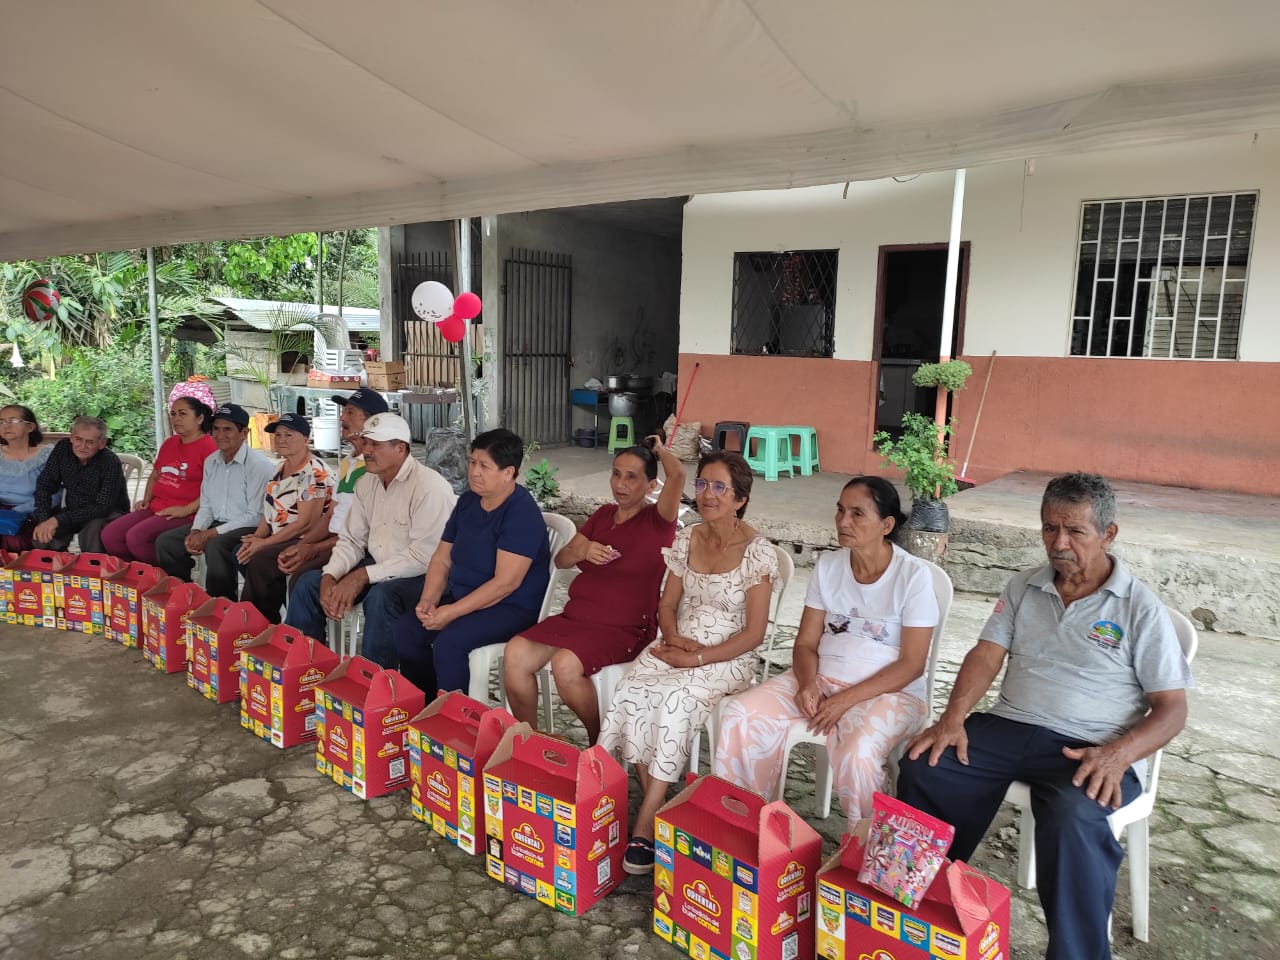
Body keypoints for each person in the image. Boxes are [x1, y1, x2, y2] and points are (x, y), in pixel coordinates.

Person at [897, 472, 1192, 960]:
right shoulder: (1024, 586)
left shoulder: (1140, 608)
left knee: (1076, 816)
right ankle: (920, 911)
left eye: (1075, 531)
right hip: (1009, 726)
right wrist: (953, 718)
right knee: (925, 763)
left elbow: (1173, 708)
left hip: (1091, 745)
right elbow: (986, 655)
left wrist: (1118, 755)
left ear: (1108, 534)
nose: (1059, 543)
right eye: (1050, 528)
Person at [713, 476, 937, 827]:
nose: (843, 521)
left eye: (857, 514)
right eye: (840, 510)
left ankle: (866, 847)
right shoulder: (829, 567)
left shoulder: (913, 576)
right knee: (741, 714)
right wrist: (807, 684)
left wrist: (845, 700)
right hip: (821, 679)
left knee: (858, 754)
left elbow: (911, 664)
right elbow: (805, 643)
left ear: (887, 525)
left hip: (890, 692)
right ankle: (742, 826)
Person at [598, 451, 778, 874]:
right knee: (633, 689)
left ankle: (647, 820)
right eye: (701, 484)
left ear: (740, 499)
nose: (707, 494)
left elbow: (754, 633)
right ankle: (662, 804)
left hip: (727, 655)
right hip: (678, 641)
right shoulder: (687, 537)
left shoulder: (758, 552)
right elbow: (667, 604)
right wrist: (673, 638)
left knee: (675, 698)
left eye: (719, 487)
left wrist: (695, 658)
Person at [502, 439, 685, 743]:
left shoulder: (658, 520)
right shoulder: (603, 515)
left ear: (651, 485)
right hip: (576, 618)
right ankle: (528, 739)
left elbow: (678, 475)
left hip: (624, 627)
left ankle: (599, 741)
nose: (620, 484)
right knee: (515, 653)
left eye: (632, 477)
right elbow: (561, 560)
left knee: (565, 665)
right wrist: (583, 550)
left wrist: (660, 450)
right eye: (616, 473)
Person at [284, 413, 455, 665]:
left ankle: (375, 680)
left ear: (400, 449)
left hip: (426, 574)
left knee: (381, 598)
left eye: (375, 444)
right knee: (310, 583)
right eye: (366, 442)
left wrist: (361, 576)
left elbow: (423, 557)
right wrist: (331, 575)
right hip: (380, 565)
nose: (366, 451)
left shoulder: (429, 487)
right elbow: (352, 539)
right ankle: (303, 669)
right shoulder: (366, 482)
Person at [396, 428, 550, 696]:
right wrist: (429, 601)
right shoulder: (468, 501)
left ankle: (456, 715)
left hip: (510, 608)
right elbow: (442, 559)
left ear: (508, 473)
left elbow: (505, 584)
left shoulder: (521, 513)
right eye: (473, 462)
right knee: (408, 629)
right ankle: (426, 704)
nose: (475, 472)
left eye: (484, 466)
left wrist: (451, 613)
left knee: (450, 642)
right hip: (465, 596)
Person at [153, 403, 275, 599]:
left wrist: (209, 534)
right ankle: (182, 597)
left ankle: (221, 603)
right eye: (216, 429)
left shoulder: (258, 465)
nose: (220, 435)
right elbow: (207, 504)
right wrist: (196, 530)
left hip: (247, 526)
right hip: (217, 523)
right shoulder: (212, 461)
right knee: (167, 542)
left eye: (227, 429)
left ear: (244, 433)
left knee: (216, 545)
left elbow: (255, 515)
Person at [276, 387, 387, 584]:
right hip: (333, 538)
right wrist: (303, 544)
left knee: (301, 578)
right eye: (343, 411)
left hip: (353, 545)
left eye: (350, 412)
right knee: (266, 560)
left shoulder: (378, 468)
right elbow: (330, 515)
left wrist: (312, 548)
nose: (342, 417)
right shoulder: (348, 461)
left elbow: (365, 534)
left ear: (372, 421)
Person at [101, 384, 218, 565]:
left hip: (186, 513)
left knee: (137, 537)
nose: (176, 419)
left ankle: (166, 576)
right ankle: (135, 574)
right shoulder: (170, 443)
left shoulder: (209, 447)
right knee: (111, 535)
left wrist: (186, 509)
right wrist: (146, 499)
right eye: (173, 414)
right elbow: (155, 474)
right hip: (157, 507)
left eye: (183, 414)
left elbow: (215, 488)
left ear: (200, 418)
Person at [236, 413, 335, 621]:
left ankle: (256, 623)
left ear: (306, 439)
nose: (281, 440)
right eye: (278, 435)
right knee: (241, 551)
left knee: (262, 560)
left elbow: (305, 523)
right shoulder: (280, 468)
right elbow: (270, 509)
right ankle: (266, 615)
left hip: (305, 538)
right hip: (280, 534)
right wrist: (257, 537)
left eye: (289, 435)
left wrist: (264, 544)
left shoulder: (314, 472)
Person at [30, 416, 131, 554]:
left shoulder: (110, 462)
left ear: (102, 443)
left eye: (90, 442)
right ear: (71, 437)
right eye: (78, 439)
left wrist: (58, 520)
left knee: (93, 530)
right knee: (42, 537)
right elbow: (45, 484)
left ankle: (94, 565)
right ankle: (57, 563)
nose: (82, 446)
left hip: (109, 513)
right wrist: (44, 520)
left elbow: (103, 506)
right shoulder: (63, 448)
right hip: (75, 509)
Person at [0, 405, 53, 551]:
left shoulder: (47, 455)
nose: (6, 426)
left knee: (15, 538)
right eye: (1, 421)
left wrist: (20, 510)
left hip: (34, 513)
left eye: (13, 420)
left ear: (30, 427)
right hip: (1, 513)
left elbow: (57, 493)